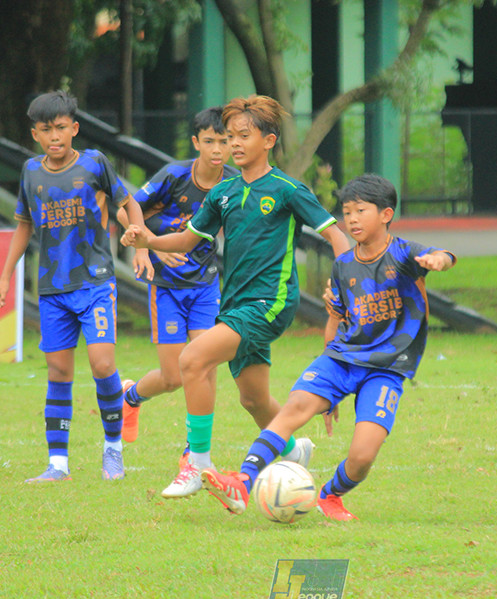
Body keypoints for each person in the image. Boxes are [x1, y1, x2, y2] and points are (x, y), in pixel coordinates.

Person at [121, 94, 351, 498]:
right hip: (236, 303)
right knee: (253, 398)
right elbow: (189, 240)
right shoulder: (222, 194)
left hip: (270, 302)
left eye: (244, 135)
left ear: (269, 140)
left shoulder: (287, 189)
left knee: (191, 359)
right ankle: (295, 450)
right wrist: (150, 239)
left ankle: (198, 463)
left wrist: (348, 285)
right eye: (230, 137)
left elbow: (336, 236)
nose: (235, 144)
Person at [199, 173, 456, 520]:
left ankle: (330, 495)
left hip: (386, 368)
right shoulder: (343, 264)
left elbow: (442, 254)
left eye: (360, 211)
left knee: (363, 455)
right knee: (295, 407)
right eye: (346, 212)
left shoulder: (405, 254)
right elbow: (336, 317)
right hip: (341, 358)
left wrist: (440, 259)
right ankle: (241, 483)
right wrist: (327, 372)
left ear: (386, 214)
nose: (351, 219)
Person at [0, 90, 144, 483]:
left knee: (102, 364)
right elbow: (24, 224)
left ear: (74, 129)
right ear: (35, 135)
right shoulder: (30, 172)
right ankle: (57, 464)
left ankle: (113, 451)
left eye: (61, 128)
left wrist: (140, 240)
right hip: (52, 289)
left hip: (94, 282)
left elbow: (127, 203)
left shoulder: (94, 163)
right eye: (46, 130)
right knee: (58, 371)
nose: (54, 136)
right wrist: (6, 276)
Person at [116, 108, 238, 473]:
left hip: (204, 285)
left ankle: (193, 450)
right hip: (167, 289)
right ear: (196, 142)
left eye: (225, 141)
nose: (218, 149)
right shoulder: (174, 176)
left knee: (204, 363)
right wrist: (149, 247)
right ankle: (131, 396)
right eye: (210, 141)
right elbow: (127, 210)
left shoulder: (233, 183)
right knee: (172, 378)